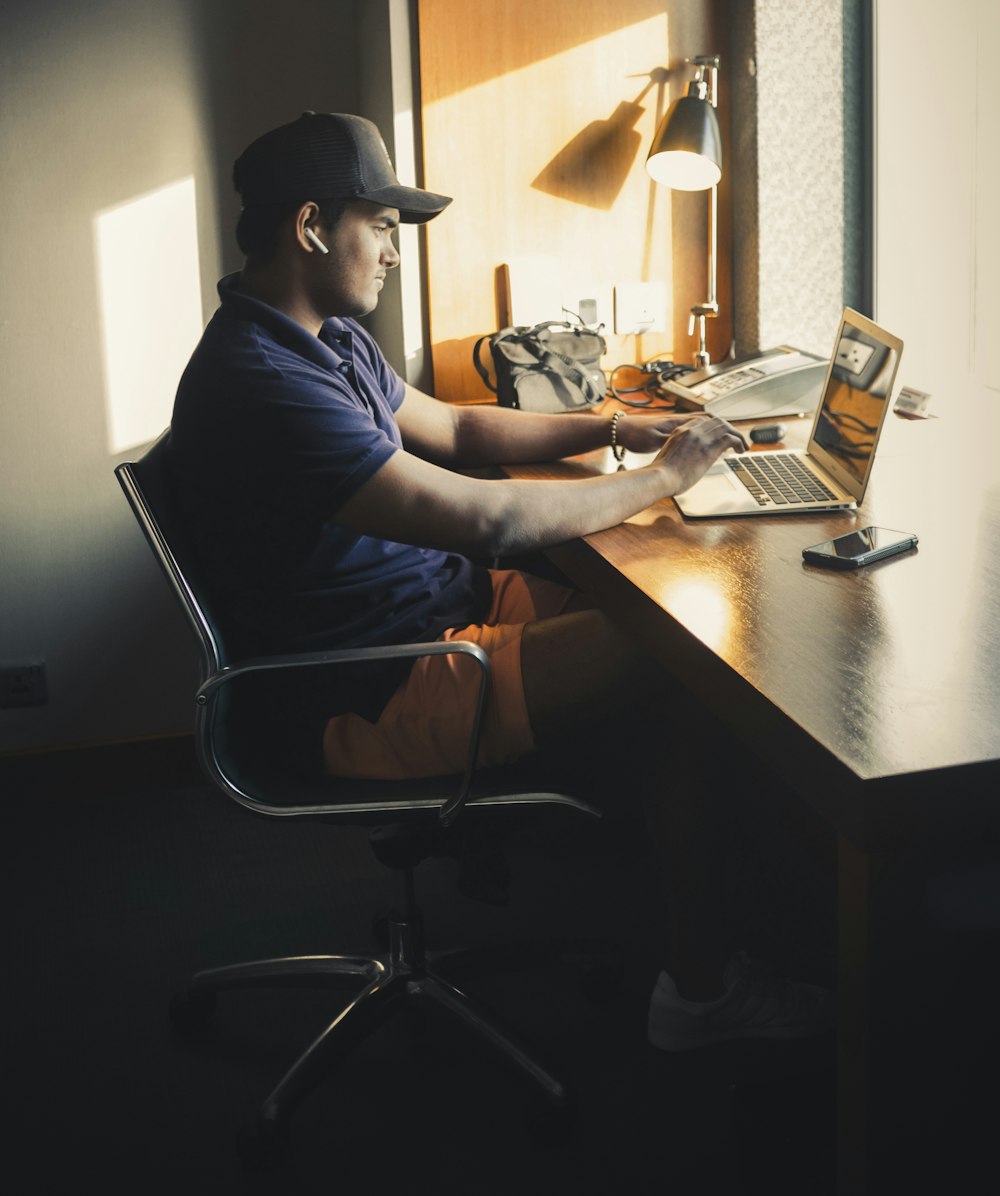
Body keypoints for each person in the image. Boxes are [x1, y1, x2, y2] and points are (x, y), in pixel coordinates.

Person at [168, 110, 831, 1050]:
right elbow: (492, 516)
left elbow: (463, 433)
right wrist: (668, 477)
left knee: (675, 614)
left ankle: (697, 912)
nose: (396, 251)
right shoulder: (262, 381)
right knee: (689, 656)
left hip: (433, 609)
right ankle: (701, 993)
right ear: (312, 226)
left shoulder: (322, 335)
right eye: (383, 225)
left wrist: (609, 426)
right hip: (371, 679)